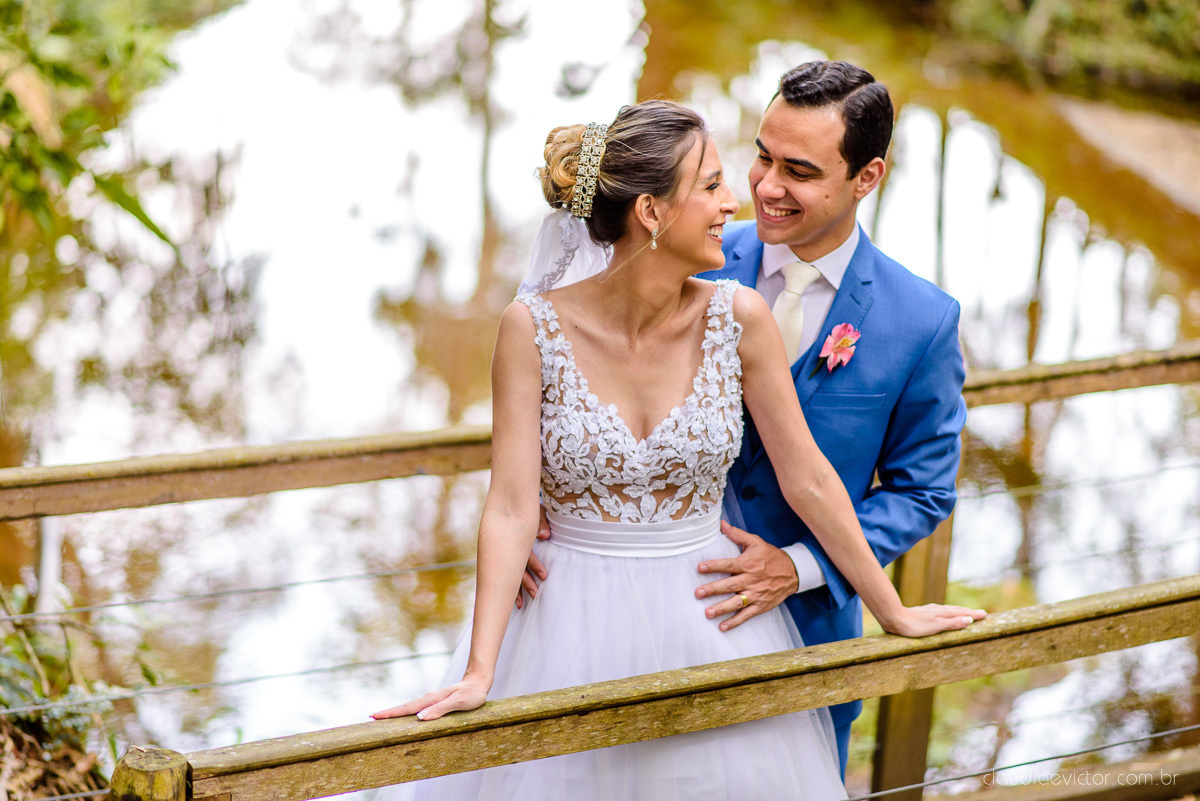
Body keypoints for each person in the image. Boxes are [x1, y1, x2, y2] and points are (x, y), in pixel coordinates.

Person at [371, 99, 984, 801]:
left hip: (712, 618)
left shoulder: (740, 317)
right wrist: (481, 669)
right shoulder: (528, 327)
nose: (738, 201)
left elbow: (808, 477)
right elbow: (510, 505)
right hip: (563, 628)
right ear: (652, 213)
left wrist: (894, 611)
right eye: (713, 184)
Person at [690, 60, 970, 772]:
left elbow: (921, 489)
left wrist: (802, 565)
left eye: (799, 170)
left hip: (810, 646)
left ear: (866, 177)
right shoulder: (695, 258)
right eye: (761, 155)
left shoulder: (922, 321)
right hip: (663, 614)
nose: (765, 187)